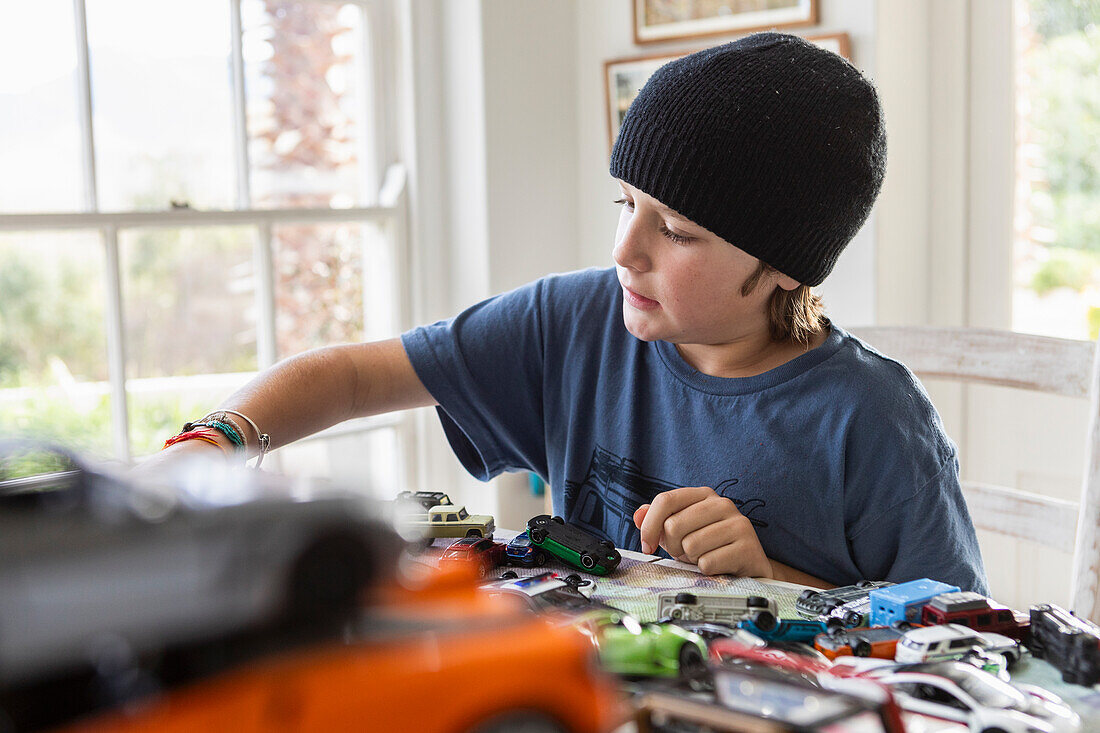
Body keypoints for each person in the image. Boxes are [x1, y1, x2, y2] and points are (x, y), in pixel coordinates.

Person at [150, 32, 988, 593]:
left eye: (678, 230)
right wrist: (219, 440)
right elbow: (348, 377)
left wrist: (770, 575)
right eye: (625, 202)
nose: (627, 249)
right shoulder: (573, 320)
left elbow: (963, 635)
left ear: (782, 267)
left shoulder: (877, 420)